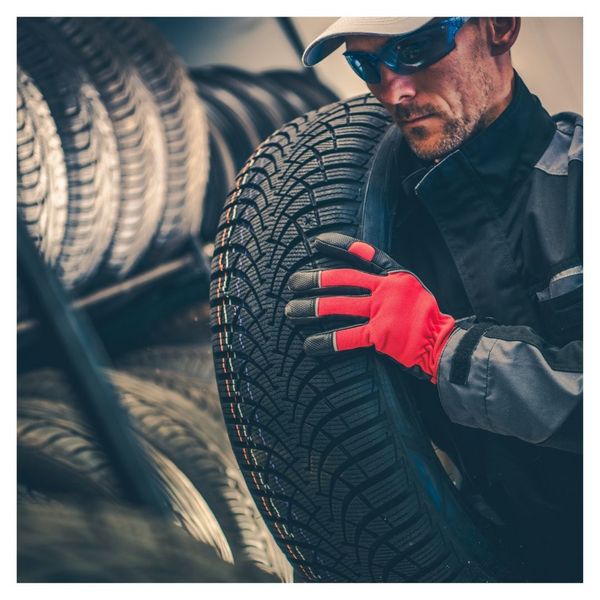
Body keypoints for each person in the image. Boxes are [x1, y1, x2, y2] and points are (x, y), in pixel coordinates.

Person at [285, 17, 582, 578]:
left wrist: (444, 350)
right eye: (366, 65)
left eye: (416, 49)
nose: (394, 90)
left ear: (500, 26)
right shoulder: (384, 232)